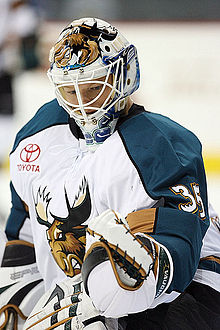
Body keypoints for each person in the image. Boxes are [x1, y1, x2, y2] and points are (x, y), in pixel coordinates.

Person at [0, 18, 219, 329]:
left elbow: (179, 251)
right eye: (70, 91)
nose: (82, 105)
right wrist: (15, 300)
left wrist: (129, 282)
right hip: (90, 299)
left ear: (123, 77)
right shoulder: (36, 138)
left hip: (188, 297)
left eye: (92, 88)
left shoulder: (160, 145)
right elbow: (25, 232)